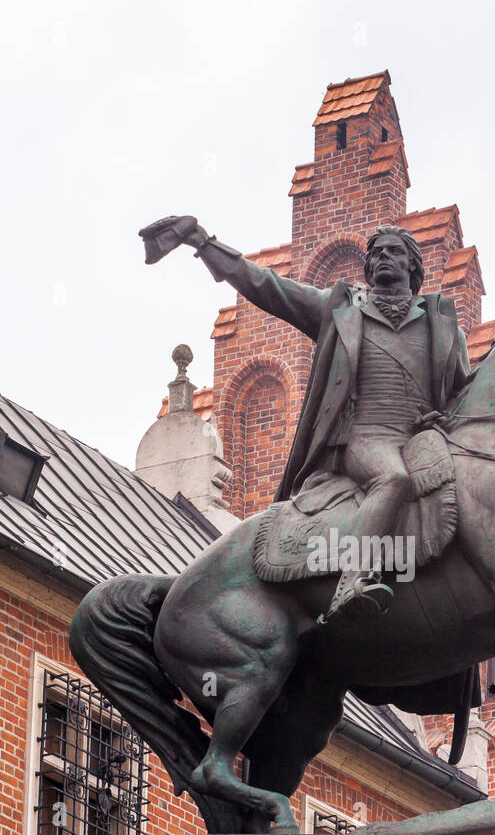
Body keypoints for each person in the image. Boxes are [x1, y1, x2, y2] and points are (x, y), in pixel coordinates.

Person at [139, 215, 471, 623]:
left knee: (487, 494)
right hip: (367, 440)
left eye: (394, 251)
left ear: (412, 266)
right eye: (376, 252)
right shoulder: (344, 312)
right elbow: (269, 288)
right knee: (394, 479)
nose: (383, 256)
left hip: (422, 440)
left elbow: (463, 395)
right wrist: (203, 242)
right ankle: (352, 581)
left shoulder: (442, 325)